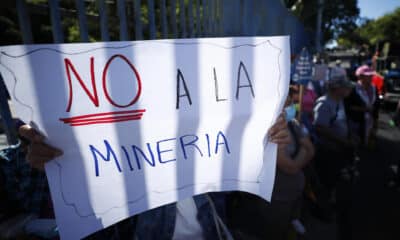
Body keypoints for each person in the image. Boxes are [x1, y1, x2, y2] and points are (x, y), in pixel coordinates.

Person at [17, 113, 291, 239]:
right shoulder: (121, 157)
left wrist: (266, 139)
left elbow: (237, 182)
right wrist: (55, 162)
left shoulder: (205, 146)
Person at [227, 87, 314, 240]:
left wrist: (303, 155)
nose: (290, 108)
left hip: (295, 194)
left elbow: (311, 150)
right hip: (276, 199)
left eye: (291, 103)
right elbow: (289, 167)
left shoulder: (293, 124)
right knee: (274, 232)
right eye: (285, 104)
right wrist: (303, 153)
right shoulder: (268, 131)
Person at [344, 65, 379, 146]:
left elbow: (376, 106)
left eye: (371, 75)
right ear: (360, 77)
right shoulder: (353, 89)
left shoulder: (374, 89)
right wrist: (363, 109)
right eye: (368, 76)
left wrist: (376, 122)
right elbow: (347, 106)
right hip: (356, 122)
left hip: (370, 122)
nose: (371, 77)